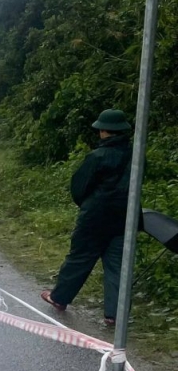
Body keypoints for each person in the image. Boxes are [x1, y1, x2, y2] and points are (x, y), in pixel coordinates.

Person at [41, 109, 134, 327]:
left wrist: (89, 204)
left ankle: (59, 298)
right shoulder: (135, 154)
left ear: (103, 131)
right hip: (125, 218)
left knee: (80, 257)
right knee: (118, 265)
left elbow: (79, 186)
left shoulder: (97, 156)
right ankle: (114, 315)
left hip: (95, 217)